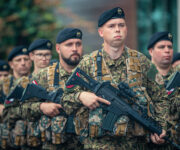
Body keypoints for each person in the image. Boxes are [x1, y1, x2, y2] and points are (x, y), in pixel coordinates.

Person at [62, 7, 169, 149]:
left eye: (121, 25)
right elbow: (64, 98)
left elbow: (161, 97)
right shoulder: (88, 63)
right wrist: (81, 96)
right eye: (111, 26)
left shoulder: (142, 62)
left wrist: (159, 128)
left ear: (126, 29)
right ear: (101, 32)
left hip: (136, 145)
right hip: (98, 145)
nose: (117, 29)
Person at [17, 28, 83, 150]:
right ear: (58, 49)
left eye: (78, 44)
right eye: (69, 44)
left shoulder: (90, 73)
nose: (75, 48)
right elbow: (22, 109)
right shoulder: (44, 76)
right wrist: (42, 107)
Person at [0, 45, 32, 149]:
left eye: (26, 59)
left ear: (31, 61)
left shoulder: (38, 80)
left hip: (33, 137)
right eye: (18, 60)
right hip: (8, 138)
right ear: (11, 64)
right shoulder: (2, 84)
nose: (23, 63)